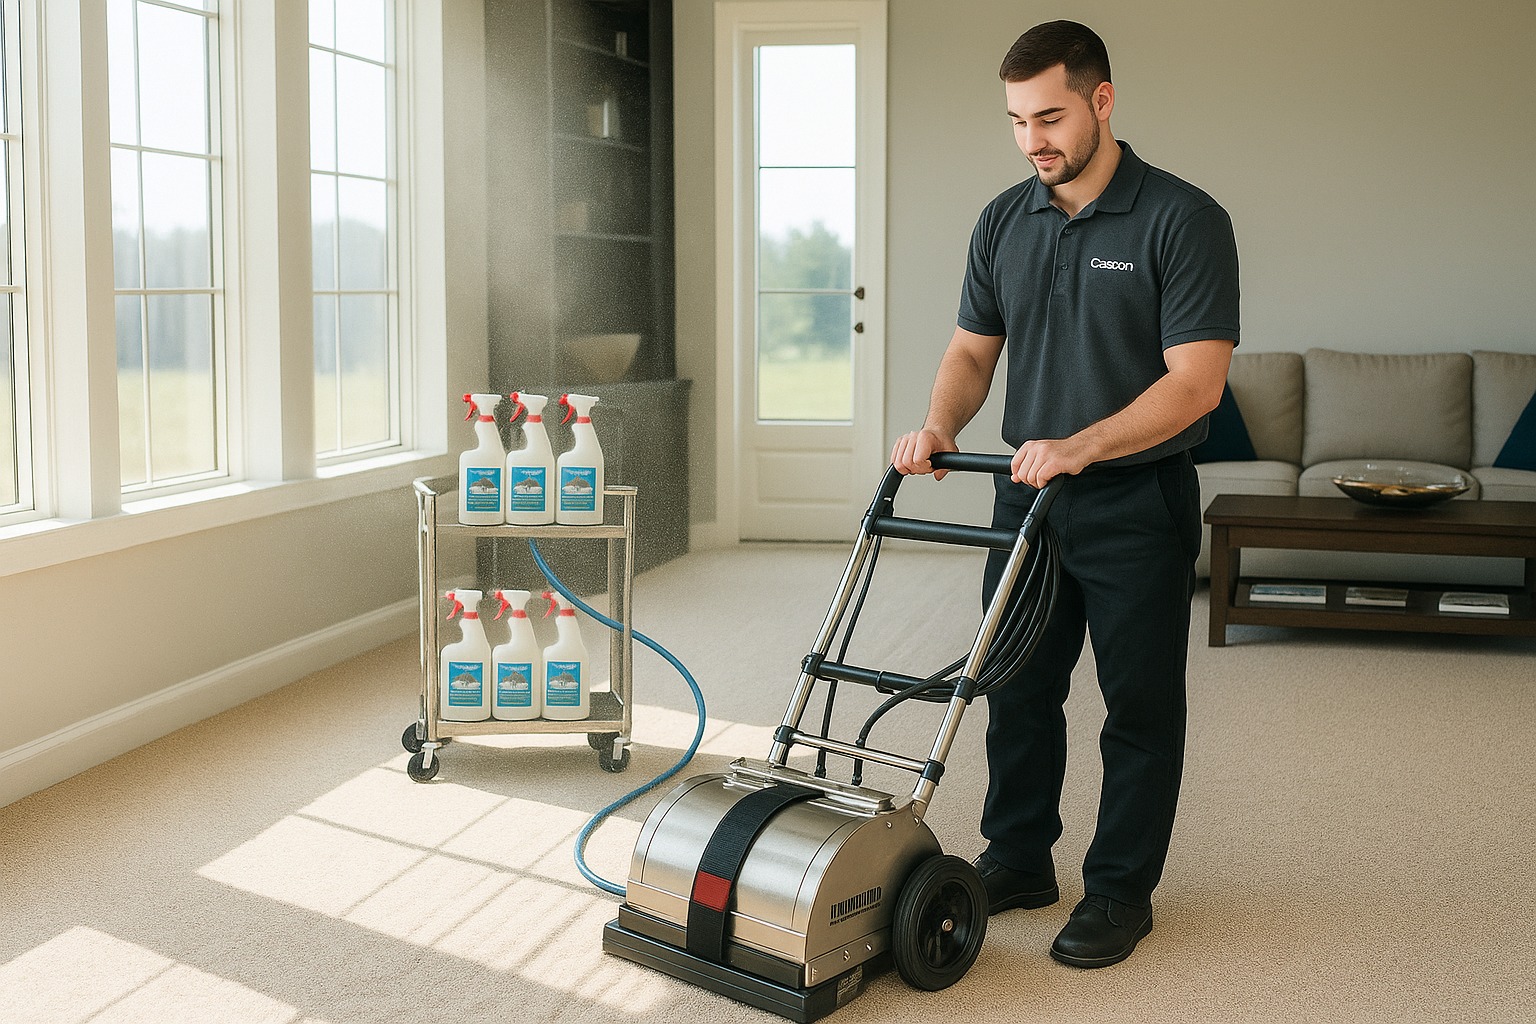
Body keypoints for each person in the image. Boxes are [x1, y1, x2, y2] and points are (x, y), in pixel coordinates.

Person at [891, 20, 1240, 968]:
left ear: (1102, 100)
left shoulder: (1183, 219)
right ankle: (1018, 858)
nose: (1031, 139)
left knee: (1139, 708)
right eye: (1016, 120)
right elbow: (972, 351)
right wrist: (941, 425)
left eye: (1048, 117)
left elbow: (1196, 384)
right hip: (1027, 501)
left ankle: (1120, 890)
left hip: (1136, 499)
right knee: (1015, 687)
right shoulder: (1004, 220)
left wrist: (1082, 445)